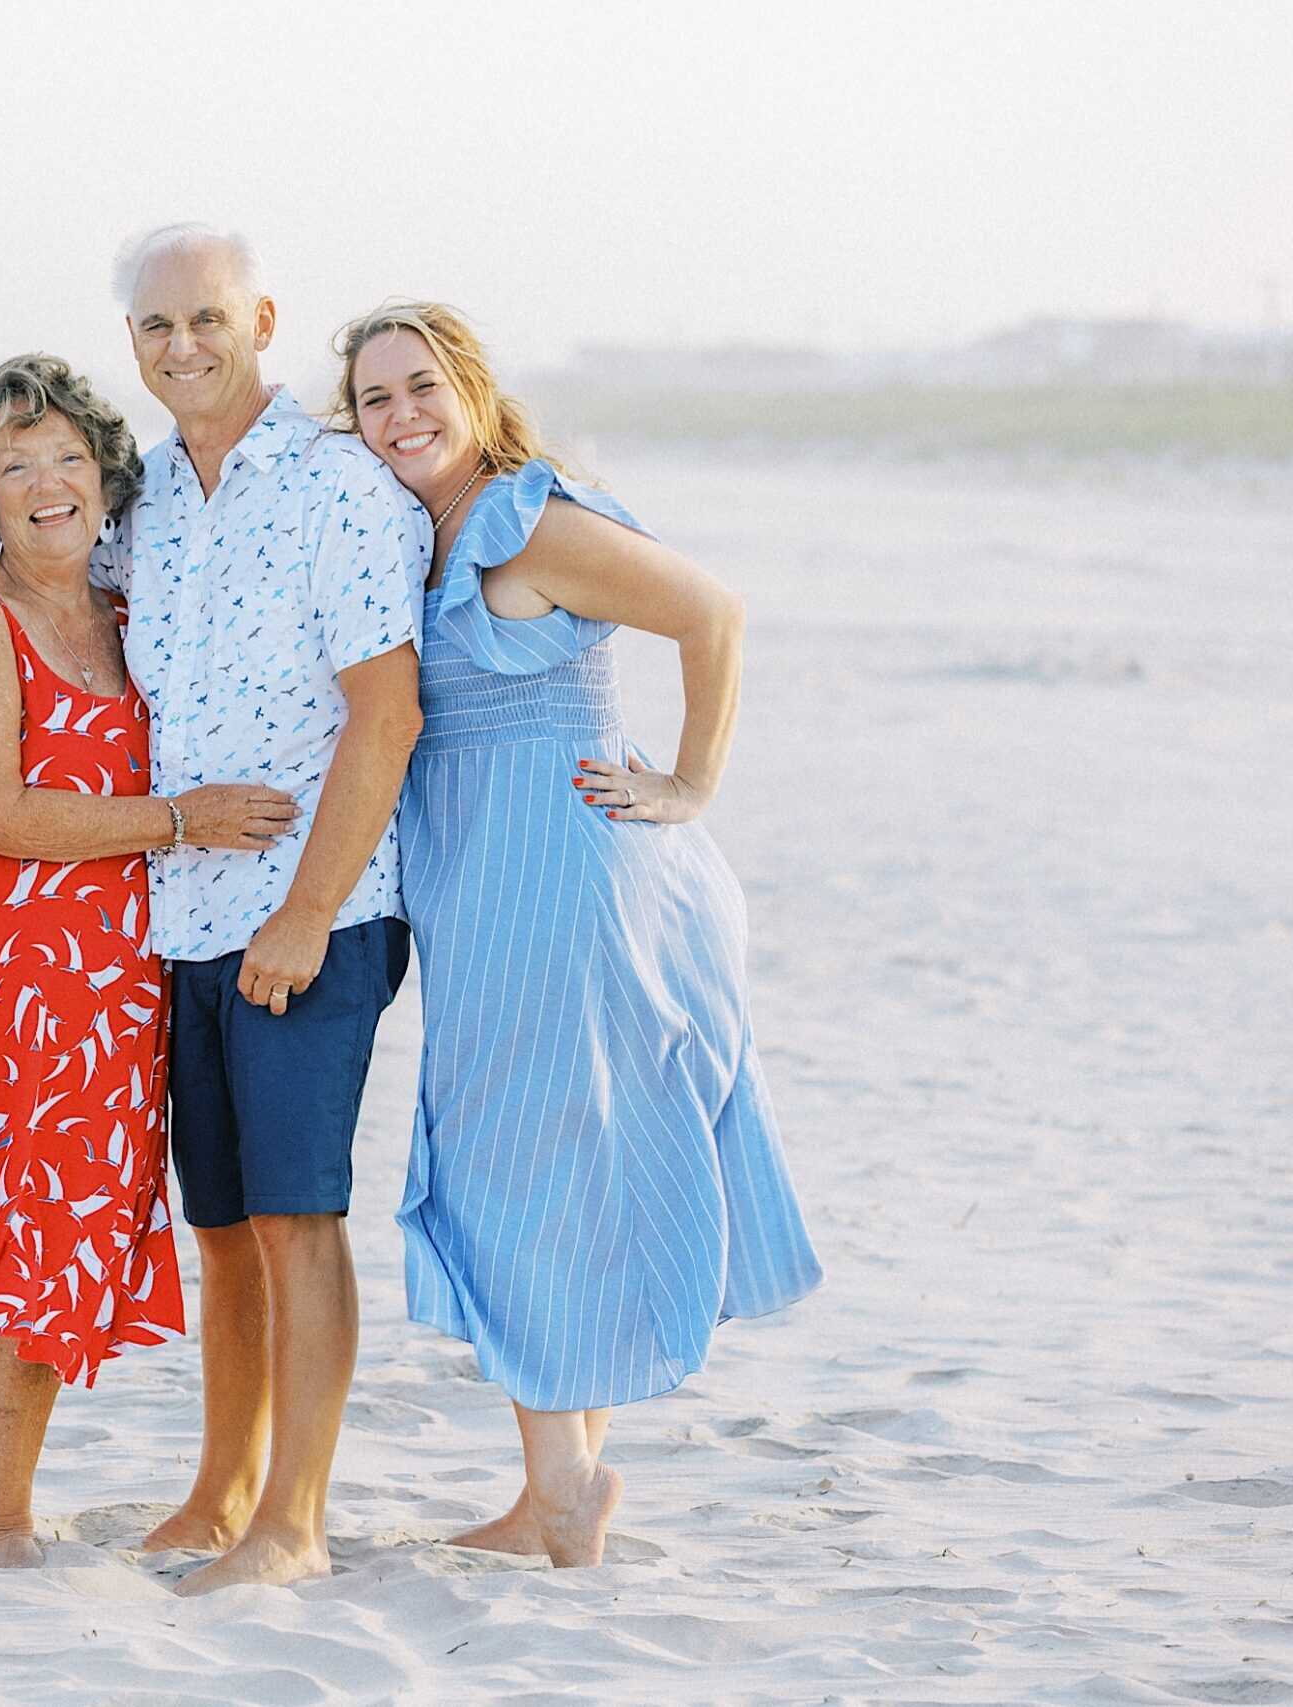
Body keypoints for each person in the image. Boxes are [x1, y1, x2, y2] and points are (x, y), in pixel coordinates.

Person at [334, 301, 823, 1568]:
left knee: (517, 1161)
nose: (401, 416)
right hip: (495, 892)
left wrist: (692, 785)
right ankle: (559, 1482)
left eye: (421, 387)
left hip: (571, 888)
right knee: (553, 1155)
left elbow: (712, 613)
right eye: (375, 398)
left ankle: (559, 1491)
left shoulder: (524, 521)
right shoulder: (417, 534)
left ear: (474, 392)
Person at [0, 354, 298, 1568]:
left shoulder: (125, 614)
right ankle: (4, 1526)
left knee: (3, 1253)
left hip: (95, 985)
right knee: (19, 1248)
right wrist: (184, 818)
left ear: (105, 475)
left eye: (67, 457)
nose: (45, 484)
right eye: (13, 466)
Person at [102, 226, 431, 1595]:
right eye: (157, 324)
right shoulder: (153, 499)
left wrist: (303, 913)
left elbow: (386, 710)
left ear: (263, 319)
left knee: (298, 1216)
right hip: (184, 911)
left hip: (317, 910)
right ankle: (221, 1484)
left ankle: (294, 1517)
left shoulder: (340, 485)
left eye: (208, 318)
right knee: (222, 1221)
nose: (183, 345)